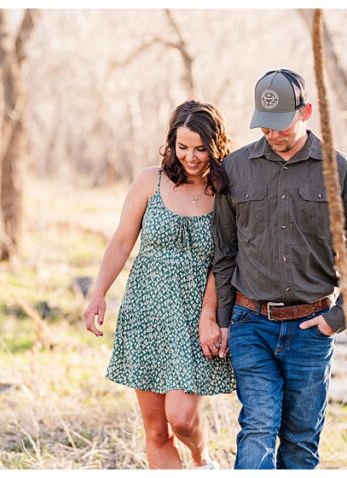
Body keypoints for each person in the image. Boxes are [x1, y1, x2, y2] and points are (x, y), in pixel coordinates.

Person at [212, 69, 347, 469]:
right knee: (257, 425)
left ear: (305, 111)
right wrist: (223, 320)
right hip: (249, 323)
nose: (272, 133)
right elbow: (223, 252)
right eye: (264, 125)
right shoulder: (236, 169)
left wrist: (337, 318)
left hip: (311, 328)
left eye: (281, 124)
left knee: (301, 440)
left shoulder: (340, 170)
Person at [82, 100, 236, 469]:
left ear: (216, 146)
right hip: (146, 312)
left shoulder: (225, 191)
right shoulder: (149, 181)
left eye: (201, 148)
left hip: (194, 316)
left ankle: (202, 461)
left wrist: (210, 313)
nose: (191, 157)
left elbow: (225, 259)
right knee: (155, 429)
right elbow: (121, 242)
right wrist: (98, 293)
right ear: (172, 143)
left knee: (181, 417)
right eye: (183, 147)